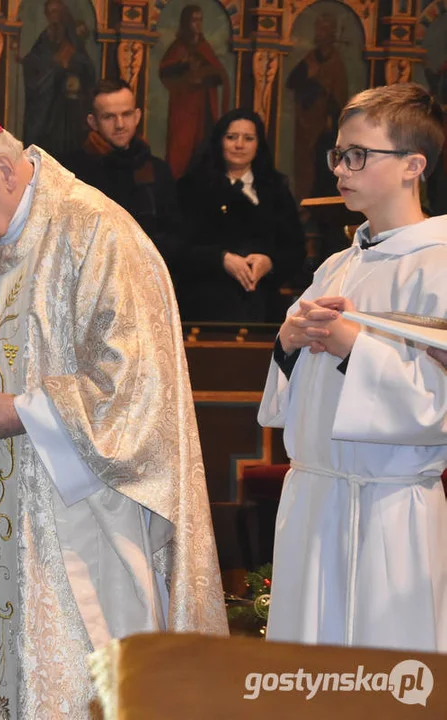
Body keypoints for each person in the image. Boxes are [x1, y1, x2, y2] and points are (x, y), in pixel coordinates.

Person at [0, 105, 228, 716]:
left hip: (75, 524)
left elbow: (139, 386)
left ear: (9, 171)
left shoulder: (95, 232)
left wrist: (25, 413)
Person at [259, 83, 447, 651]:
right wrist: (288, 342)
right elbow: (291, 400)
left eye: (359, 154)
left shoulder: (438, 264)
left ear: (414, 165)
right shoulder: (337, 265)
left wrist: (352, 347)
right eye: (338, 154)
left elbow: (436, 405)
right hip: (316, 493)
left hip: (390, 508)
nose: (341, 168)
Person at [175, 108, 306, 322]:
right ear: (219, 141)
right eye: (231, 137)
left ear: (258, 145)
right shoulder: (192, 187)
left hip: (263, 308)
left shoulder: (276, 189)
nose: (239, 145)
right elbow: (178, 249)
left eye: (248, 138)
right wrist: (221, 259)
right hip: (205, 307)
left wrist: (270, 263)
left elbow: (295, 248)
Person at [60, 78, 182, 265]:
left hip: (147, 272)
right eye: (109, 117)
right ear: (93, 122)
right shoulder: (72, 170)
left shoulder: (156, 169)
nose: (120, 124)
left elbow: (174, 234)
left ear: (137, 116)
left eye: (126, 114)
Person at [158, 4, 229, 179]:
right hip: (184, 108)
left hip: (203, 109)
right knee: (181, 146)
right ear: (186, 23)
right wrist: (184, 66)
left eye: (200, 20)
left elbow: (219, 75)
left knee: (202, 147)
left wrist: (203, 75)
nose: (197, 24)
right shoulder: (178, 47)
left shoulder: (204, 47)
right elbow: (166, 71)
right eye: (193, 20)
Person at [286, 11, 349, 202]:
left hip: (326, 128)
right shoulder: (311, 58)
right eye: (318, 28)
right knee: (304, 163)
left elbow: (338, 96)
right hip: (307, 123)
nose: (320, 33)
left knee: (323, 167)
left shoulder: (336, 63)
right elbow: (292, 81)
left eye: (324, 29)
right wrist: (310, 79)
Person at [22, 0, 97, 157]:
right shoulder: (46, 35)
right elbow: (35, 58)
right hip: (48, 97)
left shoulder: (72, 35)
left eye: (55, 12)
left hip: (69, 102)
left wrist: (71, 62)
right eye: (49, 12)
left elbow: (86, 66)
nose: (52, 16)